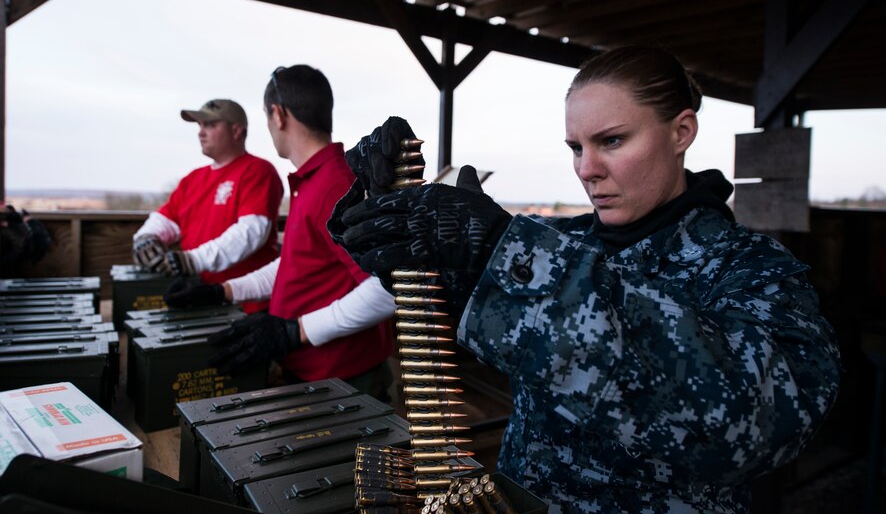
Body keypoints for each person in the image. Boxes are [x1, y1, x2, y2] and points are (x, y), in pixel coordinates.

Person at [333, 45, 842, 513]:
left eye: (612, 140)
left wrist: (500, 250)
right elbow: (447, 309)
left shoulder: (749, 269)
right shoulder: (565, 243)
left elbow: (752, 426)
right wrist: (381, 207)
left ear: (681, 132)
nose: (587, 168)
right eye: (576, 146)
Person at [165, 65, 398, 400]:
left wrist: (294, 332)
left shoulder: (335, 186)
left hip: (344, 381)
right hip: (312, 372)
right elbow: (295, 265)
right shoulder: (313, 180)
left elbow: (385, 290)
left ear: (278, 114)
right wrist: (222, 291)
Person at [131, 99, 284, 313]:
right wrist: (146, 238)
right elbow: (165, 220)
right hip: (200, 298)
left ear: (237, 130)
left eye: (210, 125)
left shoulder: (258, 171)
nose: (201, 132)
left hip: (248, 305)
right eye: (200, 126)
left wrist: (192, 260)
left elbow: (250, 234)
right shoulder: (192, 179)